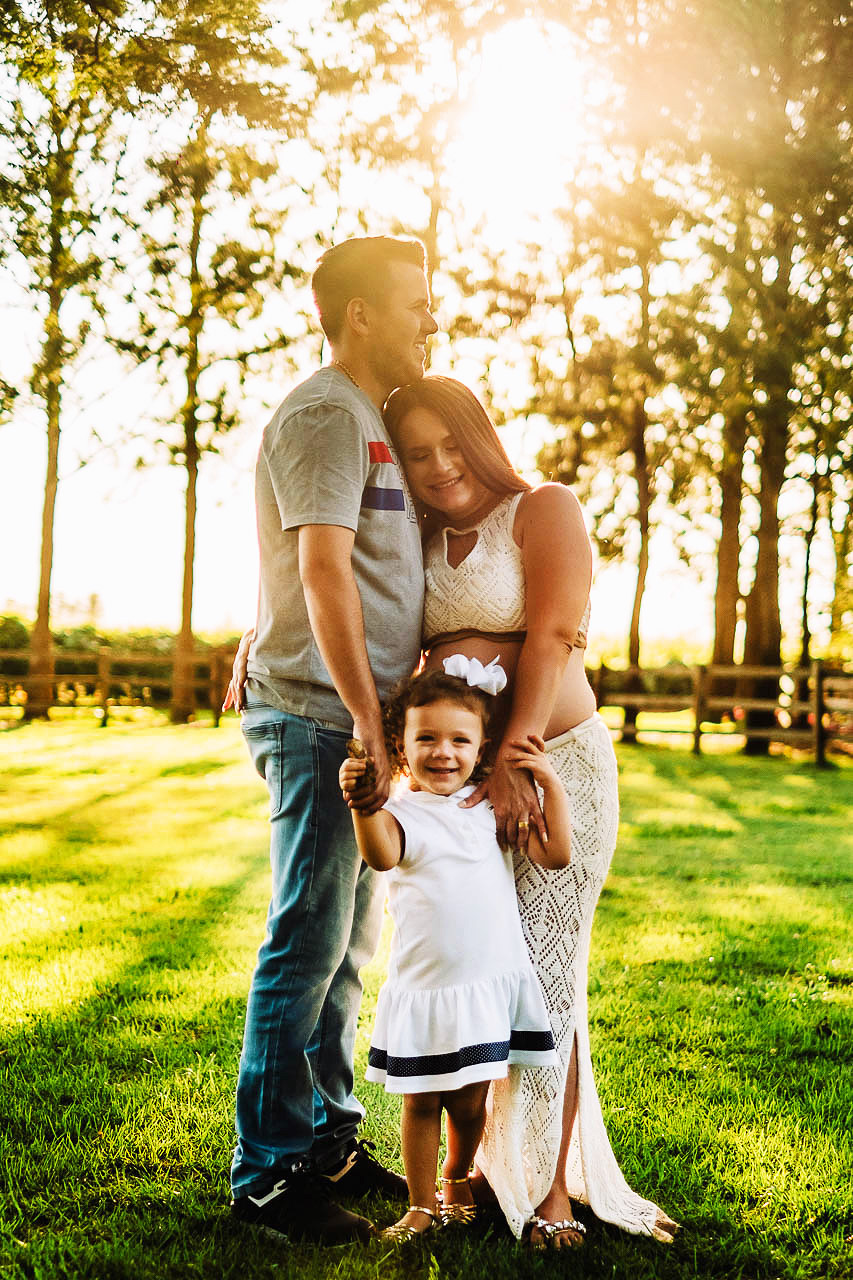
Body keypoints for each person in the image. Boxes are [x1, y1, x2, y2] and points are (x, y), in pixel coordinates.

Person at [382, 374, 679, 1248]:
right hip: (462, 786)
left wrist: (517, 755)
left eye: (451, 444)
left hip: (553, 765)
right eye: (418, 453)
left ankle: (549, 1190)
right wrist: (261, 633)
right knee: (477, 970)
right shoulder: (416, 538)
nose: (439, 465)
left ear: (479, 438)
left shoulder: (542, 508)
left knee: (547, 981)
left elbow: (551, 632)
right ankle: (476, 1171)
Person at [225, 236, 438, 1245]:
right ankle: (267, 1174)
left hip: (352, 715)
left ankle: (328, 1141)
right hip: (321, 716)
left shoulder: (371, 418)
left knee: (346, 948)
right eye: (414, 302)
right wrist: (362, 714)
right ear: (361, 314)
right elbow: (319, 570)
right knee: (306, 942)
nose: (429, 319)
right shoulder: (324, 413)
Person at [338, 659, 573, 1243]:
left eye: (459, 741)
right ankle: (420, 1206)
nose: (443, 752)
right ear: (401, 745)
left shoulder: (490, 807)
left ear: (481, 747)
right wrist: (362, 803)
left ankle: (457, 1175)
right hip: (426, 988)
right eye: (426, 738)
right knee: (421, 1103)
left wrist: (550, 783)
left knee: (469, 1104)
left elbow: (557, 856)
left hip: (485, 986)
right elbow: (380, 856)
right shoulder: (399, 813)